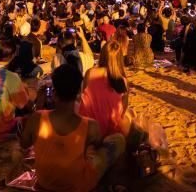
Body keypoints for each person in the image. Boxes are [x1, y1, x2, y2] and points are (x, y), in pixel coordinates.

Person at [20, 63, 126, 192]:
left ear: (54, 91)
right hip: (77, 186)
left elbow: (24, 144)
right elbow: (98, 146)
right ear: (78, 92)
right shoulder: (90, 126)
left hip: (44, 183)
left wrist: (39, 104)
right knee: (118, 139)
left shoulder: (37, 118)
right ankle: (110, 184)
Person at [79, 41, 130, 138]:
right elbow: (123, 110)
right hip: (111, 131)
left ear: (102, 55)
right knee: (129, 115)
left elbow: (83, 96)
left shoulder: (90, 73)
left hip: (88, 129)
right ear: (119, 59)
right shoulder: (123, 81)